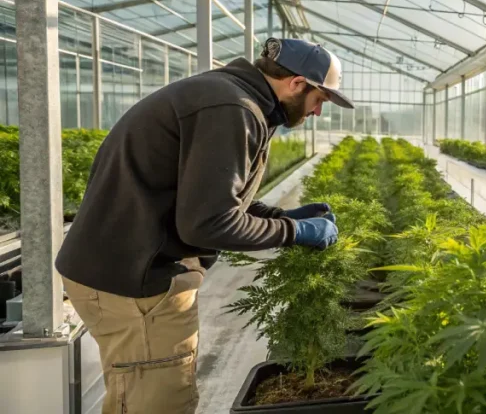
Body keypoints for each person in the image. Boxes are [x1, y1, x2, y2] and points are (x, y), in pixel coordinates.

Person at [55, 37, 354, 414]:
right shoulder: (233, 108)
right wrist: (295, 233)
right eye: (320, 100)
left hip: (121, 268)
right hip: (135, 282)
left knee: (139, 392)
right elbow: (208, 224)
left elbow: (208, 196)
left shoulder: (227, 96)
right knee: (158, 404)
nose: (317, 113)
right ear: (297, 83)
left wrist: (279, 217)